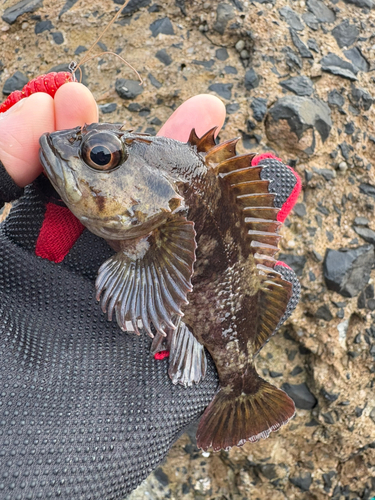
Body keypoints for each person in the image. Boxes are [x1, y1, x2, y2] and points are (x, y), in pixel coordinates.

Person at [0, 83, 299, 499]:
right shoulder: (162, 203)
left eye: (100, 158)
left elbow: (146, 292)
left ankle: (240, 385)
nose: (62, 150)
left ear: (161, 202)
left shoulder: (168, 227)